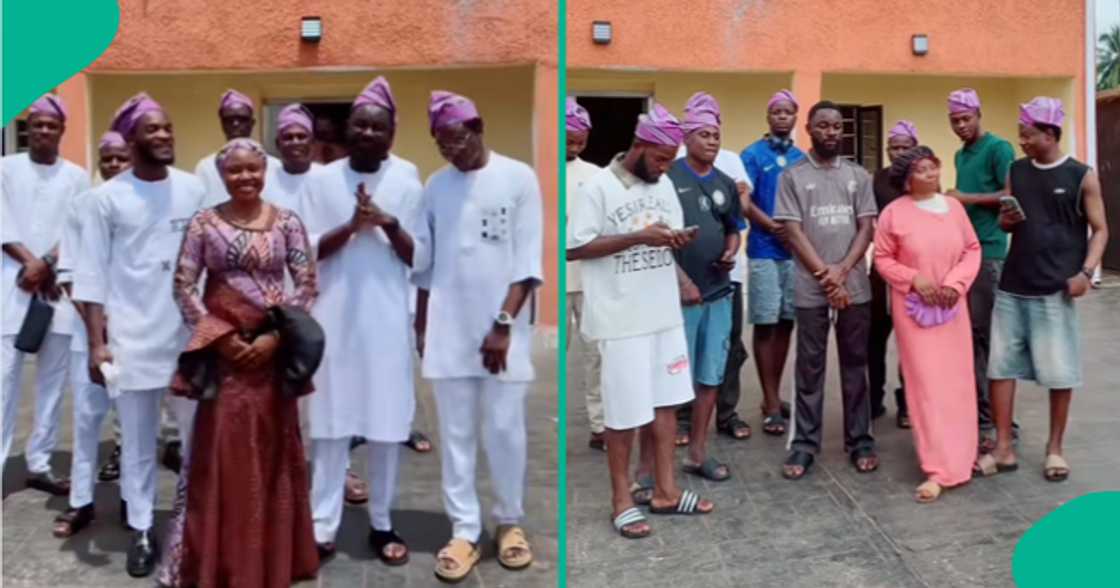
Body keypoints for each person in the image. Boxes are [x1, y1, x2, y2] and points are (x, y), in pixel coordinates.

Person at [166, 138, 320, 588]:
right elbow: (183, 285)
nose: (246, 177)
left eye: (253, 169)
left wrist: (276, 336)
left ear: (265, 170)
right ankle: (222, 562)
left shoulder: (287, 222)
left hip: (273, 360)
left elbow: (307, 282)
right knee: (224, 453)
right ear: (222, 174)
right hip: (226, 360)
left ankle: (272, 562)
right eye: (235, 171)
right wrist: (221, 337)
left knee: (275, 450)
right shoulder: (203, 223)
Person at [567, 103, 713, 542]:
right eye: (662, 157)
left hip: (662, 314)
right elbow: (575, 249)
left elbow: (664, 238)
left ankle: (666, 491)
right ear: (641, 145)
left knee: (666, 405)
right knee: (623, 414)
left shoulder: (664, 183)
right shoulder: (597, 187)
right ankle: (621, 501)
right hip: (619, 319)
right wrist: (638, 236)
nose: (667, 167)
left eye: (671, 159)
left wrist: (678, 251)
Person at [412, 90, 541, 580]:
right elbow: (426, 265)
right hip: (449, 331)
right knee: (457, 436)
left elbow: (528, 263)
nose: (451, 151)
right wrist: (422, 325)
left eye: (458, 140)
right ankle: (464, 531)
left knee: (505, 432)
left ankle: (509, 522)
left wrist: (503, 326)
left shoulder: (517, 178)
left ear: (479, 127)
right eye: (442, 144)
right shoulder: (435, 186)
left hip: (503, 337)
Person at [72, 93, 203, 577]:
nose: (165, 135)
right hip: (131, 342)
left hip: (189, 341)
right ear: (131, 139)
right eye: (154, 130)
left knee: (195, 441)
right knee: (140, 444)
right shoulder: (106, 199)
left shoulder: (194, 189)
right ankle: (145, 528)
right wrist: (96, 342)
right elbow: (89, 277)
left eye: (168, 127)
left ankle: (191, 527)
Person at [300, 77, 420, 566]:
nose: (369, 132)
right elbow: (306, 253)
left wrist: (388, 223)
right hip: (333, 320)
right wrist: (352, 226)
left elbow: (419, 257)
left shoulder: (410, 180)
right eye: (361, 124)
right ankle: (321, 526)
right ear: (347, 129)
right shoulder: (320, 181)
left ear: (392, 133)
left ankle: (382, 522)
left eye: (378, 126)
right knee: (329, 427)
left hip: (388, 322)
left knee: (388, 427)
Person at [977, 97, 1108, 482]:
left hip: (1056, 290)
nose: (1022, 141)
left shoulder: (1081, 176)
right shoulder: (1017, 171)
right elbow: (1006, 224)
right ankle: (1002, 448)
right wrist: (1006, 218)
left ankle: (1055, 449)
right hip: (1013, 287)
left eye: (1028, 134)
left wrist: (1086, 272)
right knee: (1000, 369)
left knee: (1059, 373)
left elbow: (1100, 229)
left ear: (1049, 134)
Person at [774, 100, 878, 480]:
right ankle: (804, 444)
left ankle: (860, 439)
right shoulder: (794, 176)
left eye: (837, 126)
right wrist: (825, 275)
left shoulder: (858, 175)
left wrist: (843, 270)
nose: (831, 132)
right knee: (810, 367)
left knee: (855, 365)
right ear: (809, 129)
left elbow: (867, 227)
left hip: (854, 287)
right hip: (811, 287)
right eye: (823, 126)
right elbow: (792, 231)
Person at [873, 145, 981, 503]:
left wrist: (956, 285)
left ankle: (964, 458)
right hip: (915, 311)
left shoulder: (954, 209)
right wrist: (913, 278)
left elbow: (972, 250)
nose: (932, 173)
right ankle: (937, 468)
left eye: (933, 166)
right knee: (927, 385)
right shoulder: (893, 214)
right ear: (907, 180)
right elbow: (883, 259)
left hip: (953, 307)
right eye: (922, 170)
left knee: (958, 381)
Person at [1, 93, 89, 495]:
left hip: (57, 288)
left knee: (53, 382)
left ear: (61, 131)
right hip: (12, 286)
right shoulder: (5, 168)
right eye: (37, 124)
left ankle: (39, 461)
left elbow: (78, 226)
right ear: (27, 128)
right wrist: (29, 263)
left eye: (51, 126)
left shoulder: (77, 176)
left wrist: (48, 263)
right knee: (4, 380)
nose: (43, 131)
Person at [52, 131, 133, 538]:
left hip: (136, 334)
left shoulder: (144, 202)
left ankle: (132, 502)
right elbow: (68, 276)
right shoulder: (82, 206)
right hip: (89, 334)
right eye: (108, 159)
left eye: (122, 158)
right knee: (86, 421)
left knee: (135, 424)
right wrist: (97, 329)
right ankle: (80, 502)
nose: (115, 165)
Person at [667, 92, 743, 482]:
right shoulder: (668, 178)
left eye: (717, 134)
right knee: (669, 379)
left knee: (711, 375)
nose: (713, 140)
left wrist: (731, 252)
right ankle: (655, 466)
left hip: (717, 294)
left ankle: (698, 451)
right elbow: (658, 238)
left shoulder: (726, 183)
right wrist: (681, 280)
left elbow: (734, 229)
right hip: (675, 301)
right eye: (705, 134)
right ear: (687, 137)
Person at [946, 88, 1017, 449]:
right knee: (971, 338)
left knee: (990, 338)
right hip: (964, 256)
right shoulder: (961, 155)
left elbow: (1011, 194)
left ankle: (999, 423)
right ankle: (984, 414)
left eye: (965, 118)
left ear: (978, 114)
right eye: (954, 120)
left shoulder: (998, 148)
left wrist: (965, 198)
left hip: (989, 254)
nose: (960, 126)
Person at [740, 90, 804, 437]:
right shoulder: (752, 155)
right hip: (765, 250)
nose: (782, 117)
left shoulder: (800, 157)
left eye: (788, 112)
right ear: (768, 118)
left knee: (786, 323)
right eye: (776, 112)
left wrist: (794, 232)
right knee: (765, 323)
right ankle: (770, 401)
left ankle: (775, 396)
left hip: (794, 253)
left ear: (795, 117)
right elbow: (744, 202)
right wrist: (772, 226)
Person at [869, 121, 919, 429]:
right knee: (874, 338)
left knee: (910, 340)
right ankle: (873, 400)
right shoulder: (877, 180)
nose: (899, 153)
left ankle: (907, 403)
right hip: (881, 270)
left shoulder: (924, 180)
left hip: (915, 273)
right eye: (894, 148)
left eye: (905, 147)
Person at [564, 97, 606, 451]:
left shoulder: (596, 176)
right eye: (567, 138)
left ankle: (600, 425)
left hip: (590, 277)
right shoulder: (541, 173)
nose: (574, 146)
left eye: (579, 140)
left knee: (595, 354)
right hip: (555, 281)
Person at [194, 89, 280, 207]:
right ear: (222, 124)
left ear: (252, 123)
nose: (235, 124)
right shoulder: (205, 167)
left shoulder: (275, 165)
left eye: (242, 119)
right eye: (229, 120)